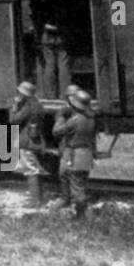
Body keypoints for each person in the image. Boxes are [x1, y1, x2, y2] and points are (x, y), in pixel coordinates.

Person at [49, 88, 96, 218]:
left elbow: (56, 132)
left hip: (74, 156)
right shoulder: (90, 118)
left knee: (77, 191)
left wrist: (60, 117)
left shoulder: (75, 120)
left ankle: (87, 218)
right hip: (84, 155)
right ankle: (73, 211)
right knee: (75, 183)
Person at [9, 81, 46, 208]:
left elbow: (13, 120)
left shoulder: (27, 106)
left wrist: (14, 107)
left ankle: (35, 201)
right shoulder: (37, 104)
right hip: (34, 140)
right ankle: (38, 199)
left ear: (24, 94)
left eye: (20, 92)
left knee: (30, 169)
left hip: (26, 141)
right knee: (33, 168)